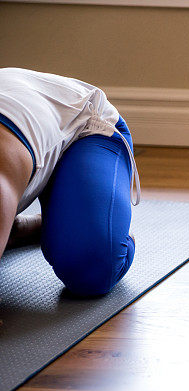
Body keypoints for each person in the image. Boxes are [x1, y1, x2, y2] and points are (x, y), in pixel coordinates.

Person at [0, 67, 140, 296]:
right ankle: (21, 228)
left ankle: (109, 231)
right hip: (23, 121)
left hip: (81, 122)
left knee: (90, 268)